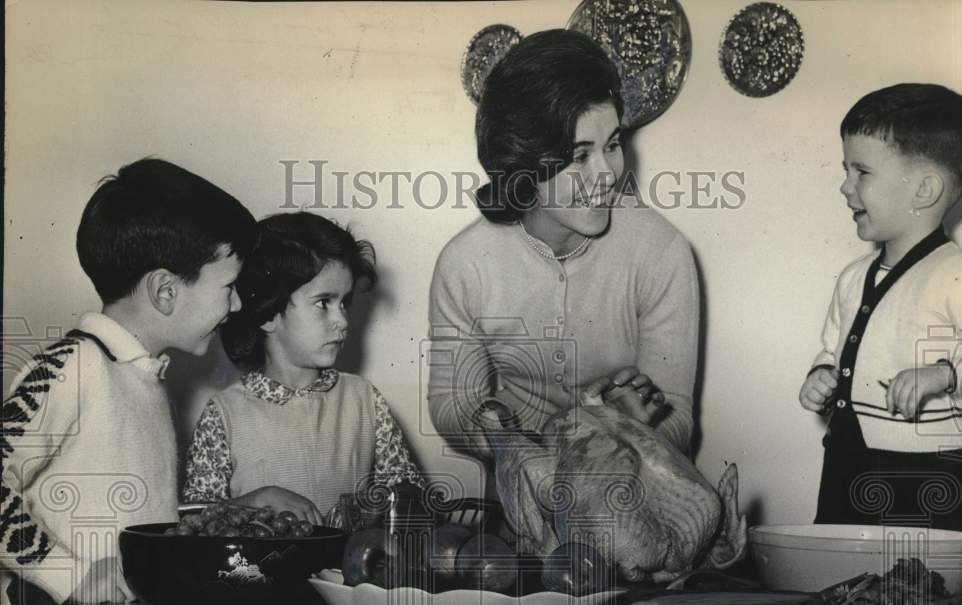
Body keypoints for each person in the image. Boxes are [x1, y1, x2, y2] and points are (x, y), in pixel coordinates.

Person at [428, 29, 699, 467]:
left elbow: (679, 416)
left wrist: (634, 428)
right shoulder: (464, 264)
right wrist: (498, 430)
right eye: (579, 156)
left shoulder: (661, 250)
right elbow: (449, 402)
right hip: (518, 507)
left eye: (612, 146)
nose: (606, 175)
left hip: (629, 499)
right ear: (523, 162)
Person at [1, 158, 256, 605]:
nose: (236, 305)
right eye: (229, 287)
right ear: (165, 292)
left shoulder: (142, 376)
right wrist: (69, 577)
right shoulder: (75, 366)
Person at [799, 83, 962, 534]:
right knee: (841, 588)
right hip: (847, 463)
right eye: (846, 169)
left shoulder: (961, 277)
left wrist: (943, 375)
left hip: (929, 476)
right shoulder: (851, 279)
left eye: (862, 172)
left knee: (923, 597)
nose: (845, 186)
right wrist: (819, 377)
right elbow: (831, 350)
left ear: (924, 189)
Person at [182, 211, 424, 525]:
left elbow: (412, 501)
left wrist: (378, 506)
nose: (342, 321)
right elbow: (195, 524)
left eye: (344, 303)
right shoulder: (224, 415)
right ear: (268, 314)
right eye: (323, 302)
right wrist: (254, 502)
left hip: (350, 573)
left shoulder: (365, 400)